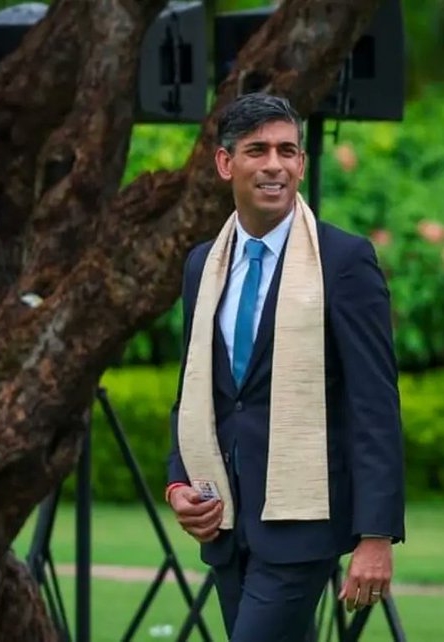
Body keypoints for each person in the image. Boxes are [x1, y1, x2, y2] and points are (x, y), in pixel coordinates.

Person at [164, 93, 405, 641]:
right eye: (258, 150)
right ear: (226, 163)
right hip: (224, 517)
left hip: (304, 524)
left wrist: (376, 536)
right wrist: (179, 480)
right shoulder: (203, 264)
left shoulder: (343, 261)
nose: (275, 164)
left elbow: (374, 404)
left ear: (301, 162)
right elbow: (195, 389)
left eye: (287, 151)